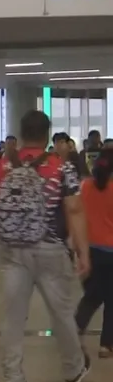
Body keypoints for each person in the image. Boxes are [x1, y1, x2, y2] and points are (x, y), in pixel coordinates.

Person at [0, 110, 90, 382]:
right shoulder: (62, 167)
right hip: (50, 247)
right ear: (47, 135)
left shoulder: (4, 164)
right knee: (62, 313)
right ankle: (72, 370)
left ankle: (14, 379)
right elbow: (73, 209)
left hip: (12, 249)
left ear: (21, 133)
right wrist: (83, 252)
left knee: (14, 316)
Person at [75, 148, 113, 358]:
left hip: (89, 250)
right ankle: (106, 344)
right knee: (111, 300)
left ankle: (76, 328)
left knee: (92, 295)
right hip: (111, 252)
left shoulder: (85, 186)